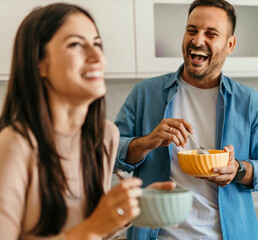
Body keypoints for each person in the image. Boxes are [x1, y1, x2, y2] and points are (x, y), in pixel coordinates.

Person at [0, 3, 175, 240]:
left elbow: (94, 232)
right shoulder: (14, 145)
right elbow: (89, 230)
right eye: (75, 44)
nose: (96, 57)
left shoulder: (104, 135)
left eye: (97, 44)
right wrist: (92, 227)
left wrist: (127, 211)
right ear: (39, 62)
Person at [115, 0, 258, 239]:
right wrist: (146, 142)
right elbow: (108, 154)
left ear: (230, 44)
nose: (197, 40)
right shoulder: (145, 94)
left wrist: (237, 170)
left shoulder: (250, 102)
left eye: (211, 34)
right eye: (191, 30)